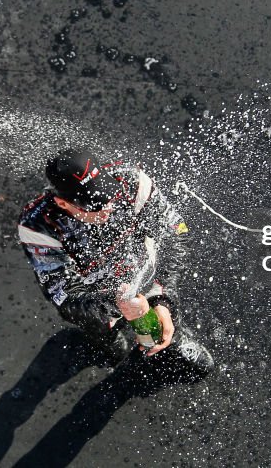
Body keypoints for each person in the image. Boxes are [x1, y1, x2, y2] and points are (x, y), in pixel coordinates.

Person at [17, 148, 213, 372]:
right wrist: (112, 302)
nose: (107, 206)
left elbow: (176, 234)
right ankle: (112, 349)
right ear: (63, 203)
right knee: (111, 345)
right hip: (96, 297)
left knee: (166, 328)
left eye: (107, 193)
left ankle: (172, 340)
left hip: (146, 277)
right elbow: (62, 296)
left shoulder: (130, 180)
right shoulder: (37, 224)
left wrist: (162, 298)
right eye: (95, 205)